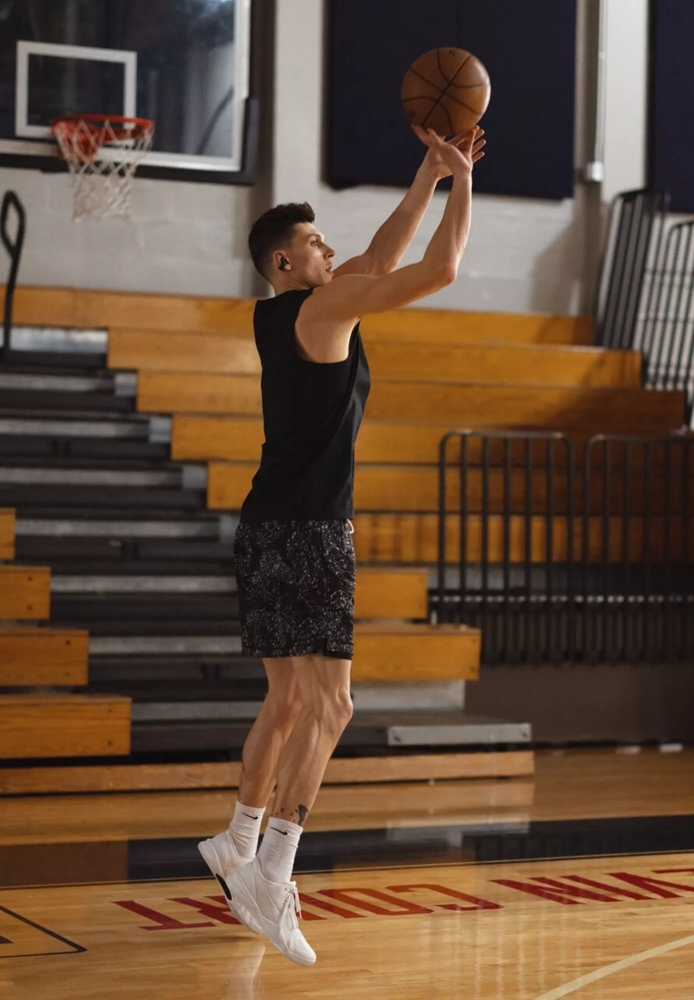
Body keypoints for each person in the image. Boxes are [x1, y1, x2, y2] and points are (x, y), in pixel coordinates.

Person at [198, 125, 485, 965]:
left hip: (267, 528)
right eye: (314, 241)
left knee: (289, 702)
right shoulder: (324, 307)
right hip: (310, 533)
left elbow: (384, 249)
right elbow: (437, 270)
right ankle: (273, 871)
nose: (329, 246)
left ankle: (237, 840)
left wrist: (429, 172)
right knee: (334, 707)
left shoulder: (289, 308)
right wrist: (464, 183)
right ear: (285, 263)